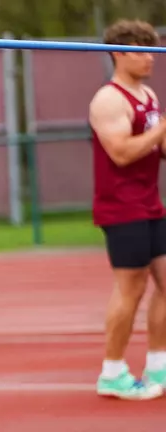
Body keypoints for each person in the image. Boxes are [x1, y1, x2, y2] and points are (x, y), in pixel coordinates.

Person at [88, 18, 166, 400]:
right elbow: (121, 152)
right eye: (141, 49)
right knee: (131, 288)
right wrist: (160, 130)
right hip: (122, 207)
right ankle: (113, 371)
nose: (151, 57)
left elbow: (156, 149)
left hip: (150, 203)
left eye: (153, 49)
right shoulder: (109, 99)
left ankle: (159, 364)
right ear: (118, 53)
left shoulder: (148, 95)